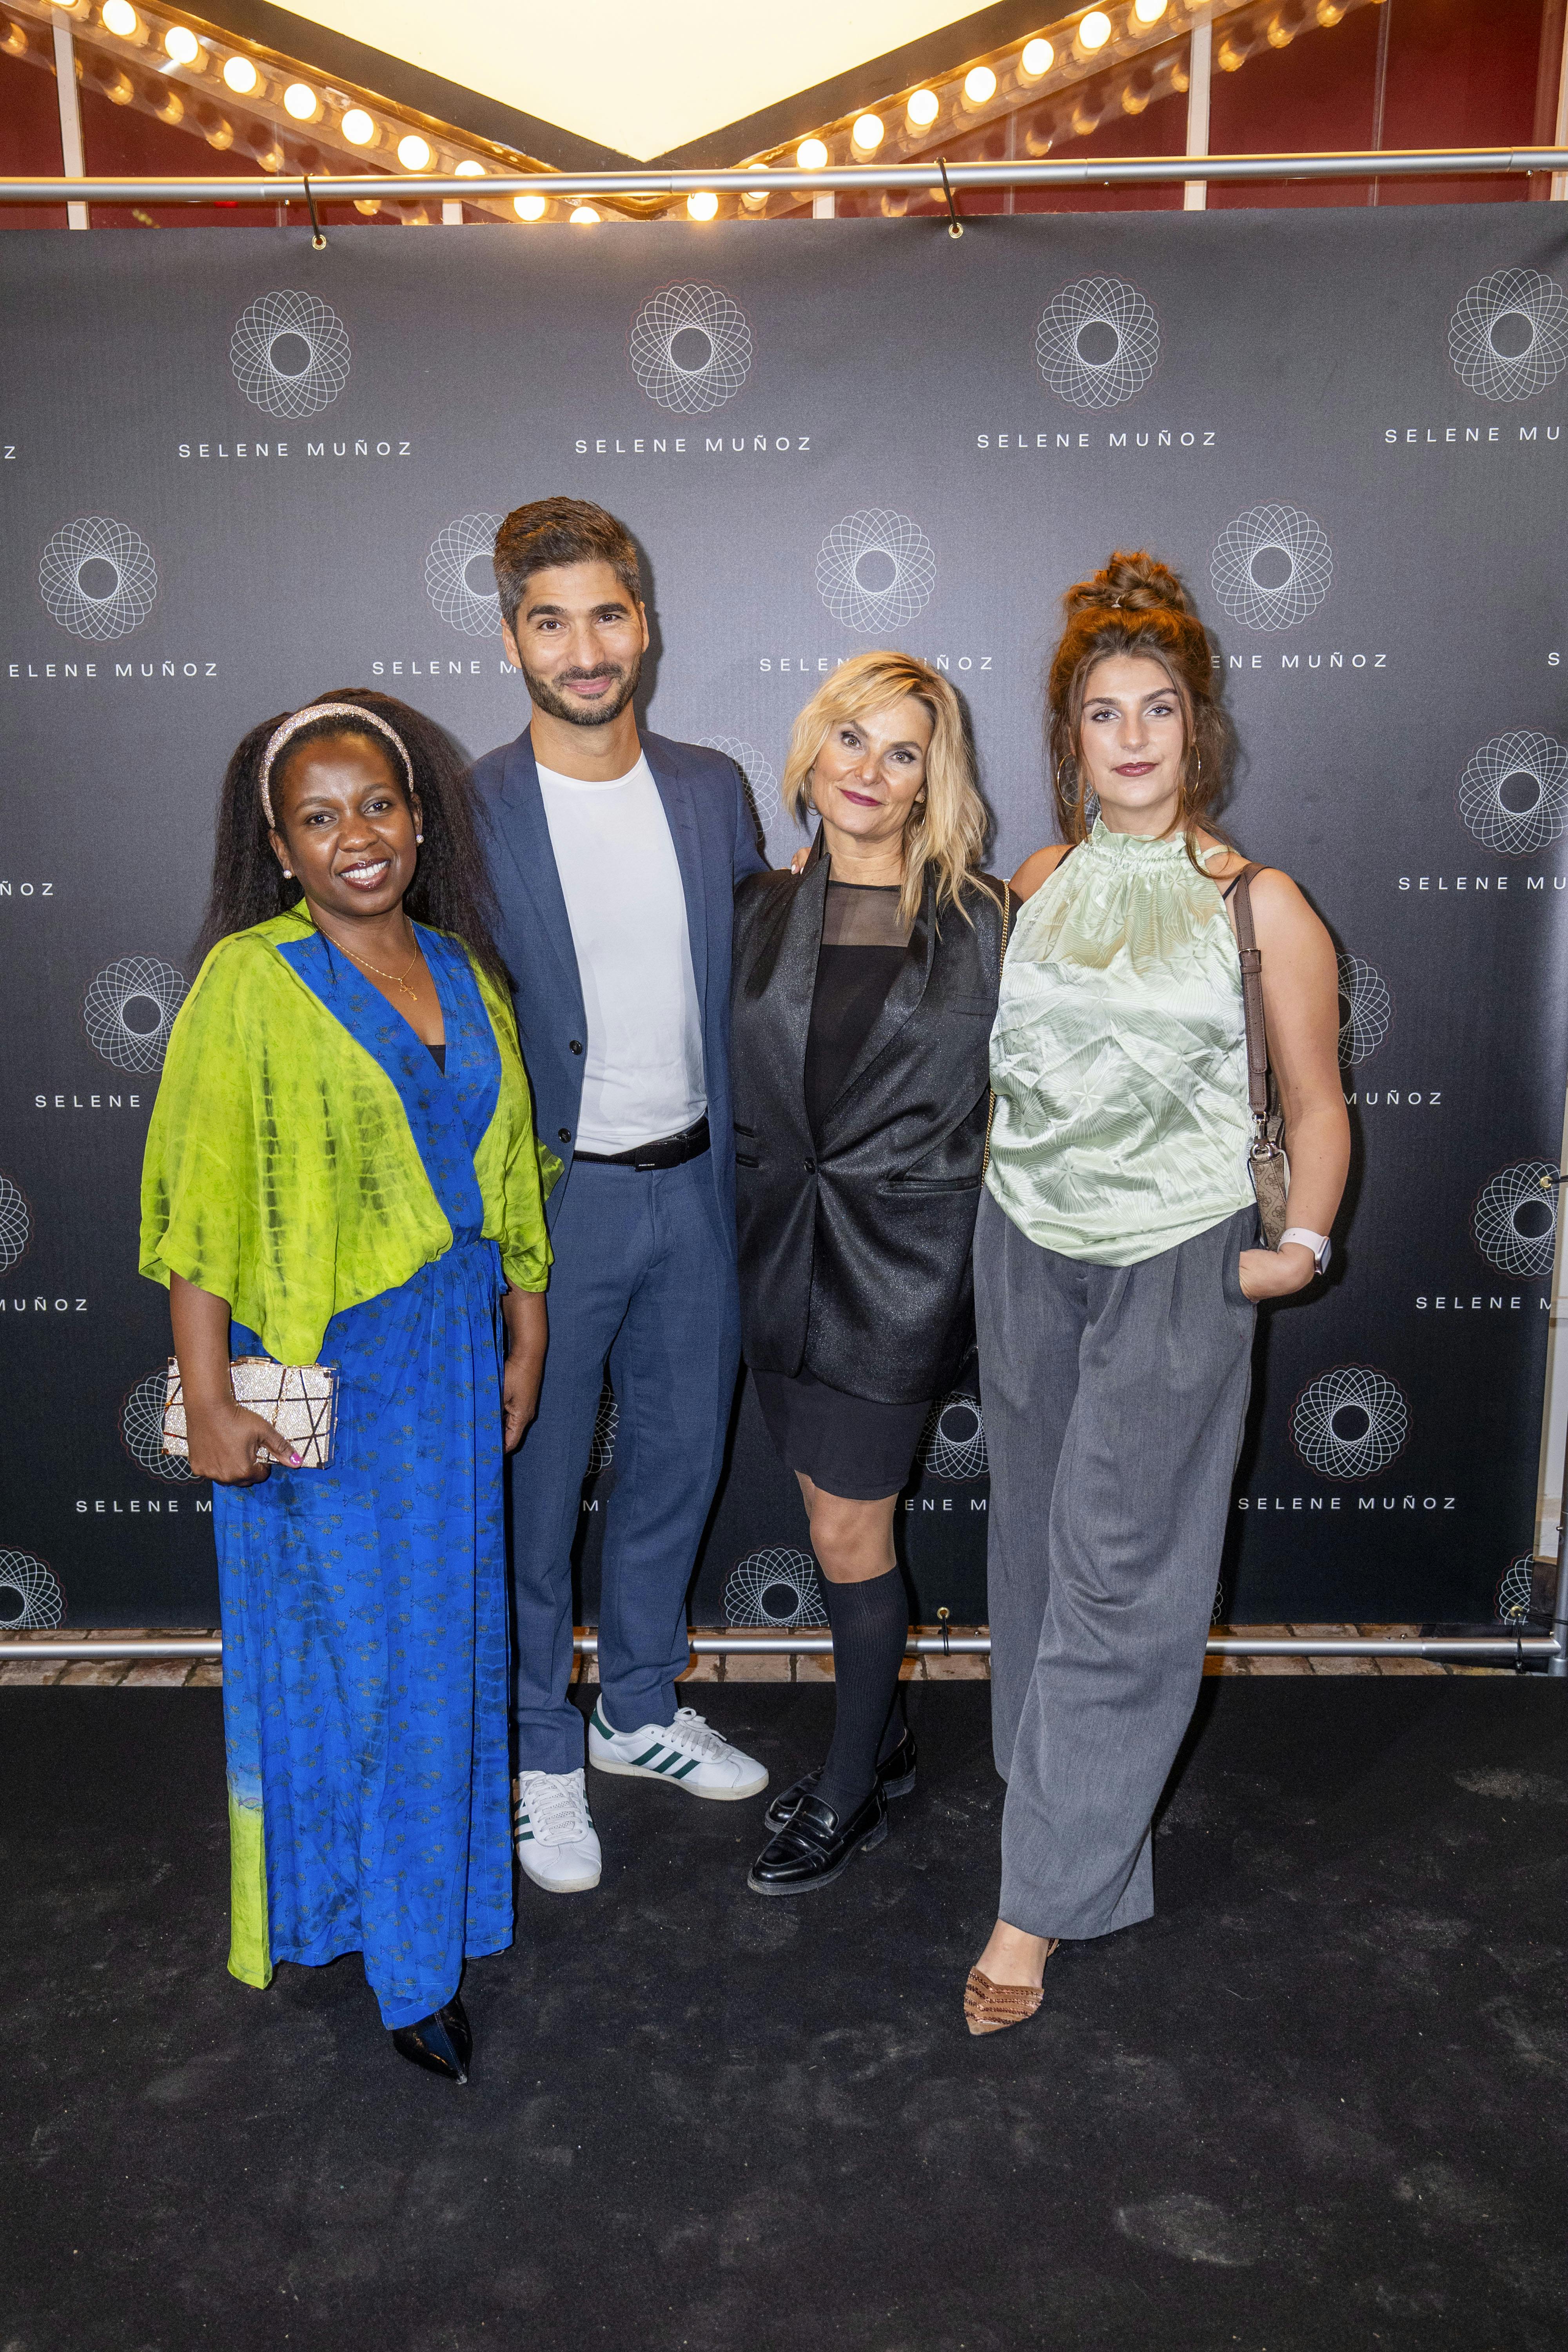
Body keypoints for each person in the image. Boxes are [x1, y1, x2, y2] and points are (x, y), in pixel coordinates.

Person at [140, 689, 553, 2085]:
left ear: (420, 821)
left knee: (448, 1657)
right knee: (371, 1672)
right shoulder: (249, 984)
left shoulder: (464, 969)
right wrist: (205, 1401)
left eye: (376, 806)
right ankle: (406, 1968)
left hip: (449, 1362)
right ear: (280, 844)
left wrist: (529, 1326)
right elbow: (199, 1213)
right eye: (319, 818)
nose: (355, 837)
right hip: (325, 1378)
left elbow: (507, 1180)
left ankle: (430, 1910)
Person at [967, 553, 1350, 2034]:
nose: (1132, 736)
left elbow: (1318, 1107)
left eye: (1160, 710)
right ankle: (1081, 1848)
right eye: (1103, 712)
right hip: (1026, 1251)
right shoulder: (1037, 887)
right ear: (1069, 737)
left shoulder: (1262, 904)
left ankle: (1032, 1913)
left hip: (1179, 1261)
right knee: (1035, 1566)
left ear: (1200, 733)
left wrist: (1297, 1250)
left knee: (1125, 1577)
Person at [472, 497, 769, 1899]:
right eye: (550, 620)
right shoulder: (468, 810)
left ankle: (636, 1710)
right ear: (514, 637)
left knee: (677, 1465)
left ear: (643, 624)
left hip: (698, 1190)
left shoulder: (714, 789)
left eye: (605, 615)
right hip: (549, 1208)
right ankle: (538, 1754)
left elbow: (770, 989)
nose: (583, 648)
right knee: (532, 1491)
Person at [731, 652, 1007, 1895]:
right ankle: (882, 1737)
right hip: (775, 1257)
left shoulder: (987, 923)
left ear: (930, 781)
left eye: (903, 754)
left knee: (850, 1527)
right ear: (812, 750)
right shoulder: (759, 909)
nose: (869, 772)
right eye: (851, 740)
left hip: (901, 1274)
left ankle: (851, 1786)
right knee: (832, 1521)